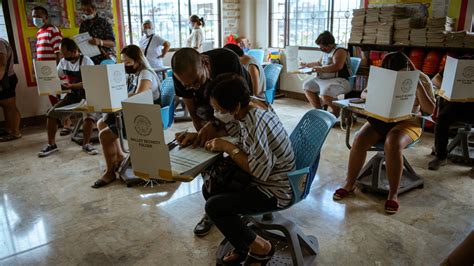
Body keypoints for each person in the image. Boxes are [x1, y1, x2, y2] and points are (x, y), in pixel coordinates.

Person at [200, 73, 294, 264]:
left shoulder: (255, 122)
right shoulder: (250, 106)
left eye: (219, 109)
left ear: (235, 107)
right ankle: (244, 245)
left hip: (274, 190)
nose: (216, 113)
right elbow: (242, 140)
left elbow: (258, 170)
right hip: (266, 179)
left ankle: (261, 248)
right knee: (210, 188)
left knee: (214, 206)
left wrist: (227, 147)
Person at [332, 51, 435, 214]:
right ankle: (349, 183)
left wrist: (417, 85)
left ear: (407, 67)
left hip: (408, 121)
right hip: (381, 119)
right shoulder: (383, 76)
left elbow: (429, 110)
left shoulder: (421, 78)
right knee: (359, 140)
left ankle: (393, 194)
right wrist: (370, 94)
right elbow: (364, 93)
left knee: (392, 143)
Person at [171, 47, 252, 236]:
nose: (194, 88)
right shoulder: (183, 77)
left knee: (240, 154)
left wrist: (215, 125)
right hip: (209, 111)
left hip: (237, 107)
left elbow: (242, 106)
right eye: (188, 86)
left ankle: (240, 204)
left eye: (197, 82)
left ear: (205, 64)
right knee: (209, 163)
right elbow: (194, 113)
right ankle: (213, 209)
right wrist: (201, 137)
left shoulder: (227, 61)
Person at [92, 44, 161, 188]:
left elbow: (139, 96)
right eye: (122, 61)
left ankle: (110, 172)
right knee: (101, 123)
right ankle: (119, 157)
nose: (124, 64)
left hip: (146, 116)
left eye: (127, 62)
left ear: (138, 61)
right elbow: (126, 92)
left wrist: (119, 97)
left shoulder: (145, 73)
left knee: (104, 135)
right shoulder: (134, 73)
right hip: (135, 110)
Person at [38, 38, 98, 157]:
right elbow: (56, 76)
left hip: (89, 94)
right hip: (73, 94)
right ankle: (51, 144)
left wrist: (71, 85)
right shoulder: (63, 61)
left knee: (89, 116)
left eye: (66, 54)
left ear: (75, 51)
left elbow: (89, 82)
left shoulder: (86, 61)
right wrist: (47, 82)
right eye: (62, 53)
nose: (64, 56)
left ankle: (86, 144)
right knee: (51, 114)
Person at [32, 6, 72, 134]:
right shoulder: (39, 32)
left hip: (54, 70)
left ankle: (67, 124)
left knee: (60, 97)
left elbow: (58, 53)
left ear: (46, 17)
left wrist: (56, 72)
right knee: (52, 97)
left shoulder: (53, 30)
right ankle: (60, 120)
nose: (35, 19)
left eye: (38, 16)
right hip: (44, 71)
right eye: (33, 16)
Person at [428, 71, 474, 170]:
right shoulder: (460, 62)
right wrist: (450, 90)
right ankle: (441, 156)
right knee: (443, 117)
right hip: (458, 103)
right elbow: (436, 79)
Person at [300, 31, 352, 118]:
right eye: (320, 47)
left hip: (340, 80)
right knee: (307, 86)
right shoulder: (326, 51)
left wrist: (321, 69)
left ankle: (336, 113)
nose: (321, 49)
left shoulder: (340, 51)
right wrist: (306, 65)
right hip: (323, 79)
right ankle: (320, 112)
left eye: (323, 48)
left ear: (330, 45)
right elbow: (318, 63)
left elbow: (337, 66)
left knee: (325, 93)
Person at [79, 0, 116, 65]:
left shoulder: (104, 23)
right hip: (89, 59)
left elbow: (112, 43)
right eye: (83, 10)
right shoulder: (83, 25)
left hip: (105, 58)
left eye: (88, 10)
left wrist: (100, 42)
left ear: (95, 9)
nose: (86, 12)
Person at [0, 38, 21, 142]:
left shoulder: (0, 43)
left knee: (10, 106)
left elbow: (2, 64)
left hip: (6, 79)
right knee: (5, 105)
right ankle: (9, 129)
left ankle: (15, 132)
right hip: (4, 79)